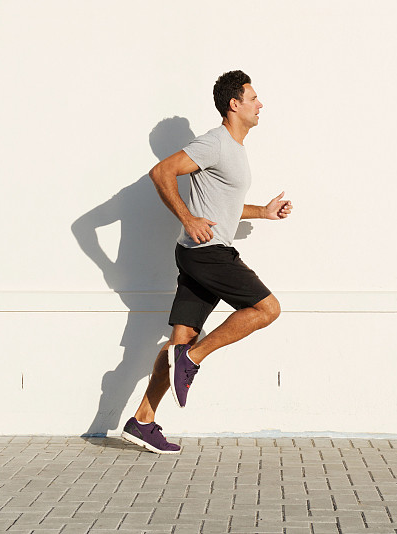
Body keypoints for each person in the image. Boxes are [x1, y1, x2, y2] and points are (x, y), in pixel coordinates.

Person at [121, 70, 293, 454]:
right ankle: (192, 359)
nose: (260, 104)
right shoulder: (214, 143)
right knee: (267, 308)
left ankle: (143, 420)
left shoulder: (234, 148)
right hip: (209, 254)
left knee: (179, 338)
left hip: (197, 254)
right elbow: (161, 172)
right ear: (235, 104)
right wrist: (187, 218)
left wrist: (263, 213)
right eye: (253, 98)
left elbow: (223, 208)